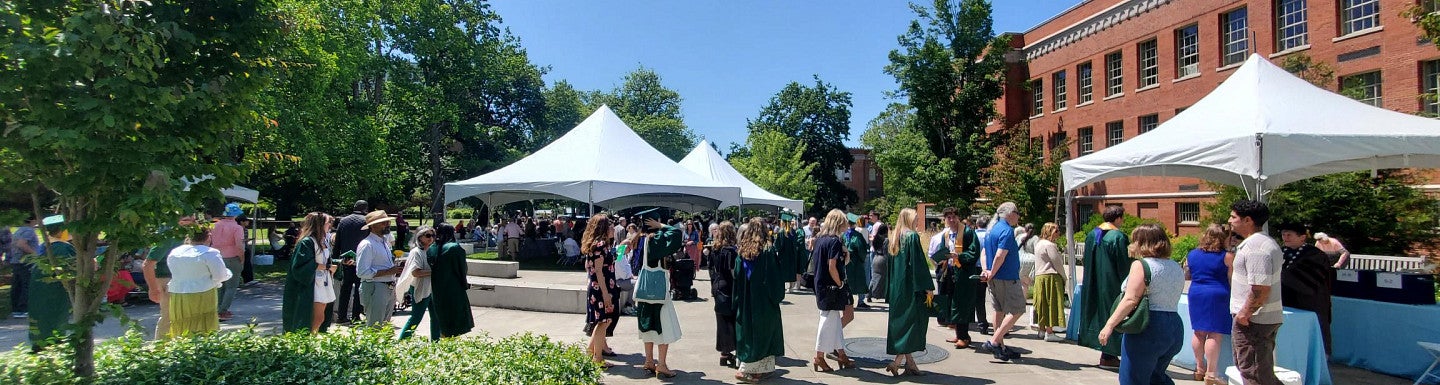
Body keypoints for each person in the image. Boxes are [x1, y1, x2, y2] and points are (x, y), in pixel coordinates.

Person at [1098, 224, 1185, 385]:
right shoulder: (1175, 266)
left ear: (1142, 243)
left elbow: (1131, 299)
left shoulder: (1141, 265)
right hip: (1174, 326)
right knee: (1156, 377)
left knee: (1132, 378)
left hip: (1148, 326)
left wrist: (1109, 325)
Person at [1228, 200, 1285, 385]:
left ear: (1248, 220)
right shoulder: (1261, 243)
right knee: (1259, 372)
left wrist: (1245, 314)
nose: (1229, 220)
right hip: (1257, 319)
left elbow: (1260, 288)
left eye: (1233, 217)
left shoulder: (1256, 248)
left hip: (1254, 321)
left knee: (1254, 374)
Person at [733, 217, 785, 383]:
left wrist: (737, 301)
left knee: (748, 333)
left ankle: (761, 370)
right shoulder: (767, 250)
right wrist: (777, 296)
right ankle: (748, 371)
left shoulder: (742, 251)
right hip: (763, 301)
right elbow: (774, 278)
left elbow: (737, 277)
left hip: (746, 300)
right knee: (764, 334)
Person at [1079, 205, 1131, 368]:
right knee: (1112, 314)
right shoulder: (1118, 237)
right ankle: (1109, 356)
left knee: (1098, 314)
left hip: (1094, 282)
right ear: (1118, 218)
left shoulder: (1092, 234)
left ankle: (1105, 353)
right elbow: (1123, 264)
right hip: (1111, 283)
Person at [886, 208, 934, 376]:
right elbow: (918, 264)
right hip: (911, 288)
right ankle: (897, 362)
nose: (917, 220)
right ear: (908, 219)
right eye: (915, 218)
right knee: (913, 325)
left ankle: (910, 364)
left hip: (897, 289)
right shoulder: (912, 237)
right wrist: (928, 286)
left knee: (904, 324)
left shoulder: (894, 237)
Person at [1277, 223, 1336, 356]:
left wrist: (1280, 274)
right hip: (1285, 302)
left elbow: (1309, 282)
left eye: (1289, 235)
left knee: (1311, 339)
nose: (1285, 237)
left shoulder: (1315, 255)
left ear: (1302, 237)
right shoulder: (1280, 252)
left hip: (1310, 303)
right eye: (1283, 234)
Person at [636, 218, 684, 378]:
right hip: (658, 292)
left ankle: (649, 361)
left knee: (647, 327)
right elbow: (676, 233)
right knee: (663, 326)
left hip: (644, 290)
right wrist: (661, 226)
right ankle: (661, 364)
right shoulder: (655, 240)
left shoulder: (641, 239)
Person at [1185, 223, 1233, 384]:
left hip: (1196, 292)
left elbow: (1188, 273)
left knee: (1198, 332)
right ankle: (1211, 373)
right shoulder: (1227, 256)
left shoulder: (1192, 254)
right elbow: (1232, 279)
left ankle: (1199, 368)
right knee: (1214, 334)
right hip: (1217, 294)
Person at [167, 225, 233, 337]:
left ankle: (180, 343)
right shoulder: (210, 252)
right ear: (208, 237)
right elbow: (220, 275)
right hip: (203, 292)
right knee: (203, 324)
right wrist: (228, 273)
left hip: (178, 293)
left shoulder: (175, 252)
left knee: (181, 322)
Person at [811, 209, 856, 372]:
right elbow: (832, 266)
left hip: (821, 285)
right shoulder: (834, 241)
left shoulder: (820, 239)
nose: (846, 225)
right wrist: (840, 283)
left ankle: (841, 354)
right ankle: (819, 356)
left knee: (834, 320)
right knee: (828, 320)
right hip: (831, 287)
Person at [930, 209, 982, 348]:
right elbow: (943, 250)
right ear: (945, 219)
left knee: (962, 304)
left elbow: (974, 252)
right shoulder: (946, 234)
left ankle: (964, 337)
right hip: (950, 271)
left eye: (954, 217)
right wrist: (941, 257)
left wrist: (959, 256)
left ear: (958, 217)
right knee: (952, 303)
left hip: (964, 272)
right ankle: (959, 334)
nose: (951, 220)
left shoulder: (968, 232)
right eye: (948, 217)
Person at [981, 202, 1026, 361]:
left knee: (999, 310)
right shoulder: (1006, 231)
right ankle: (994, 341)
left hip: (994, 278)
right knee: (1017, 310)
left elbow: (984, 252)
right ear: (1010, 213)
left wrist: (986, 271)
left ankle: (1000, 347)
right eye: (1017, 212)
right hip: (1007, 278)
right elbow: (1000, 255)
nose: (1018, 216)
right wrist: (992, 272)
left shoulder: (991, 229)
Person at [281, 212, 337, 334]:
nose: (330, 225)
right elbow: (302, 265)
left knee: (321, 318)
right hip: (312, 284)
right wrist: (327, 267)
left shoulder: (322, 240)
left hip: (323, 282)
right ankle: (310, 339)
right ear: (319, 224)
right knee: (316, 318)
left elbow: (324, 259)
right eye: (328, 222)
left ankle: (314, 337)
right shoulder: (307, 242)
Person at [145, 215, 196, 339]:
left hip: (185, 280)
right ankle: (161, 346)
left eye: (192, 218)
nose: (191, 221)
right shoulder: (169, 236)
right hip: (167, 279)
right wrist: (153, 289)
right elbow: (148, 264)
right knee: (169, 317)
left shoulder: (191, 235)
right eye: (186, 219)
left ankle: (181, 346)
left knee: (186, 317)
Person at [28, 217, 72, 351]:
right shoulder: (62, 247)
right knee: (55, 317)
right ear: (61, 230)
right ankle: (53, 345)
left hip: (38, 289)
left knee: (40, 317)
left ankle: (39, 344)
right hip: (55, 290)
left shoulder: (45, 245)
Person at [581, 215, 620, 368]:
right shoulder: (600, 246)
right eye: (610, 226)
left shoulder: (595, 245)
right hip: (602, 289)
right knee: (603, 322)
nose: (613, 229)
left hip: (599, 288)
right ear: (603, 228)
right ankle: (597, 358)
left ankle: (591, 352)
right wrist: (605, 294)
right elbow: (598, 271)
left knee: (604, 321)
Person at [355, 210, 401, 327]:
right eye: (383, 223)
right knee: (374, 326)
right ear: (372, 226)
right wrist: (389, 271)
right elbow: (362, 272)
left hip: (388, 287)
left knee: (385, 327)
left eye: (388, 222)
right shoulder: (367, 244)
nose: (387, 224)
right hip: (375, 287)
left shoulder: (384, 242)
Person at [429, 223, 474, 339]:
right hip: (454, 288)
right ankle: (450, 345)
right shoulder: (454, 248)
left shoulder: (432, 248)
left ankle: (443, 341)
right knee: (455, 321)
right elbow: (462, 269)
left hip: (437, 289)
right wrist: (464, 284)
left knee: (442, 318)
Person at [333, 201, 370, 324]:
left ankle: (341, 315)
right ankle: (356, 316)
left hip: (346, 259)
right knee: (359, 288)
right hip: (360, 258)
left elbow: (338, 241)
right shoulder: (366, 221)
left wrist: (335, 259)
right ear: (365, 208)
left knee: (345, 288)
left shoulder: (343, 221)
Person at [396, 226, 436, 339]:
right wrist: (435, 272)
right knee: (416, 317)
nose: (431, 238)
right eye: (428, 235)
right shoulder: (416, 252)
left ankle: (435, 342)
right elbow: (415, 272)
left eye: (433, 235)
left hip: (433, 288)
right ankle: (402, 340)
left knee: (436, 317)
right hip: (420, 287)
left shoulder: (433, 251)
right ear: (420, 237)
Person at [209, 203, 246, 321]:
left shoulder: (214, 225)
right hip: (232, 257)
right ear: (236, 215)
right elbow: (239, 246)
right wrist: (242, 258)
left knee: (220, 285)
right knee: (231, 286)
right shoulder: (237, 228)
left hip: (216, 257)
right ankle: (223, 311)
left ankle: (217, 309)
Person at [1032, 222, 1068, 343]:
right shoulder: (1050, 245)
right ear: (1049, 231)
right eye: (1056, 231)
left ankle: (1042, 329)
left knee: (1042, 303)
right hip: (1050, 276)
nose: (1058, 233)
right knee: (1051, 303)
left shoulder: (1039, 244)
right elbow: (1057, 263)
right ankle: (1049, 332)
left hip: (1040, 276)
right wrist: (1064, 277)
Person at [9, 215, 38, 319]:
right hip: (25, 262)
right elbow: (21, 244)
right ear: (33, 220)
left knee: (17, 285)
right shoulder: (29, 231)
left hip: (16, 261)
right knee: (26, 285)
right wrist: (35, 254)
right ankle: (23, 308)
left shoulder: (19, 230)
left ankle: (16, 309)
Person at [844, 215, 871, 309]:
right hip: (856, 261)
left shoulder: (844, 234)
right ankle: (860, 301)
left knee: (847, 280)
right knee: (860, 280)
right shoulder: (857, 235)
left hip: (845, 260)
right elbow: (861, 249)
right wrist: (862, 259)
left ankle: (846, 301)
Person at [972, 215, 992, 334]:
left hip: (976, 268)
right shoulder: (991, 236)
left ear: (977, 224)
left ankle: (982, 324)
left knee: (979, 298)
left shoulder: (973, 235)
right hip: (991, 268)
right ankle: (1000, 324)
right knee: (997, 298)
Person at [617, 224, 641, 315]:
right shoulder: (619, 254)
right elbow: (620, 271)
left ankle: (632, 305)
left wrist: (631, 276)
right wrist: (630, 276)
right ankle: (628, 306)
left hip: (623, 278)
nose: (630, 251)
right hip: (619, 280)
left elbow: (626, 267)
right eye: (629, 249)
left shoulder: (622, 253)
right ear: (626, 247)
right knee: (635, 284)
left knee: (638, 281)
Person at [869, 213, 890, 302]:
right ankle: (885, 296)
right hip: (883, 259)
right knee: (884, 278)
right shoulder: (886, 240)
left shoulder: (876, 239)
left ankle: (869, 294)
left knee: (874, 277)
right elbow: (886, 251)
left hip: (875, 258)